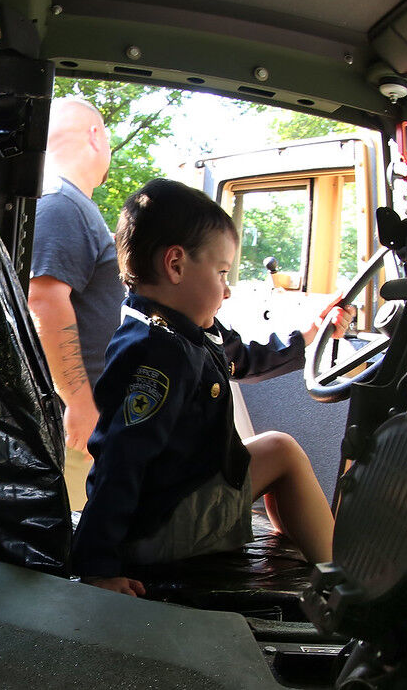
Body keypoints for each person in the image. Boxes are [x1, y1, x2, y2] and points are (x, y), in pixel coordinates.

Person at [71, 178, 354, 596]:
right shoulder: (157, 353)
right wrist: (99, 567)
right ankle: (344, 581)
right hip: (163, 529)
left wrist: (308, 335)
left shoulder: (183, 330)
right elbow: (121, 459)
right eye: (222, 272)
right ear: (176, 265)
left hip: (175, 499)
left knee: (274, 449)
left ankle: (307, 561)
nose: (227, 288)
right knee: (282, 451)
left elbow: (241, 358)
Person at [27, 98, 124, 511]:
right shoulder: (62, 202)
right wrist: (80, 403)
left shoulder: (68, 203)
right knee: (77, 544)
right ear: (95, 135)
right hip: (77, 423)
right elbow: (44, 298)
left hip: (86, 414)